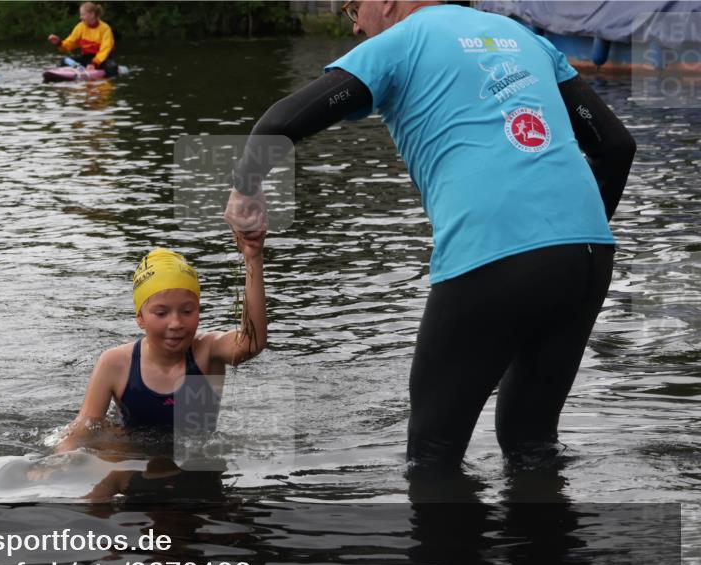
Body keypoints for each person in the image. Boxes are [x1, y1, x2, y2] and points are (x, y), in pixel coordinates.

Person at [224, 1, 636, 473]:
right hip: (586, 254)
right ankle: (545, 544)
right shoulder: (521, 36)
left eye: (352, 7)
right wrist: (559, 246)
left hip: (494, 251)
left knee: (433, 456)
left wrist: (244, 190)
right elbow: (617, 147)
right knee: (531, 442)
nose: (355, 23)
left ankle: (447, 548)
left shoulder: (401, 42)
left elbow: (281, 122)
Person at [55, 241, 267, 454]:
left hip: (195, 466)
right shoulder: (114, 363)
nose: (175, 323)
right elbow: (83, 429)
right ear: (140, 318)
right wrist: (52, 466)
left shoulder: (208, 352)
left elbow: (252, 342)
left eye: (186, 311)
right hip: (132, 458)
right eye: (161, 313)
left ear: (198, 311)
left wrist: (253, 258)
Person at [48, 2, 119, 78]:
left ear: (92, 14)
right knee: (64, 61)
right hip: (86, 58)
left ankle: (106, 82)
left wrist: (94, 63)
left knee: (112, 67)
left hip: (102, 60)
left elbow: (106, 49)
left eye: (83, 14)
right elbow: (70, 43)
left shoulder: (105, 28)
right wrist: (59, 43)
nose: (80, 17)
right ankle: (74, 73)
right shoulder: (80, 26)